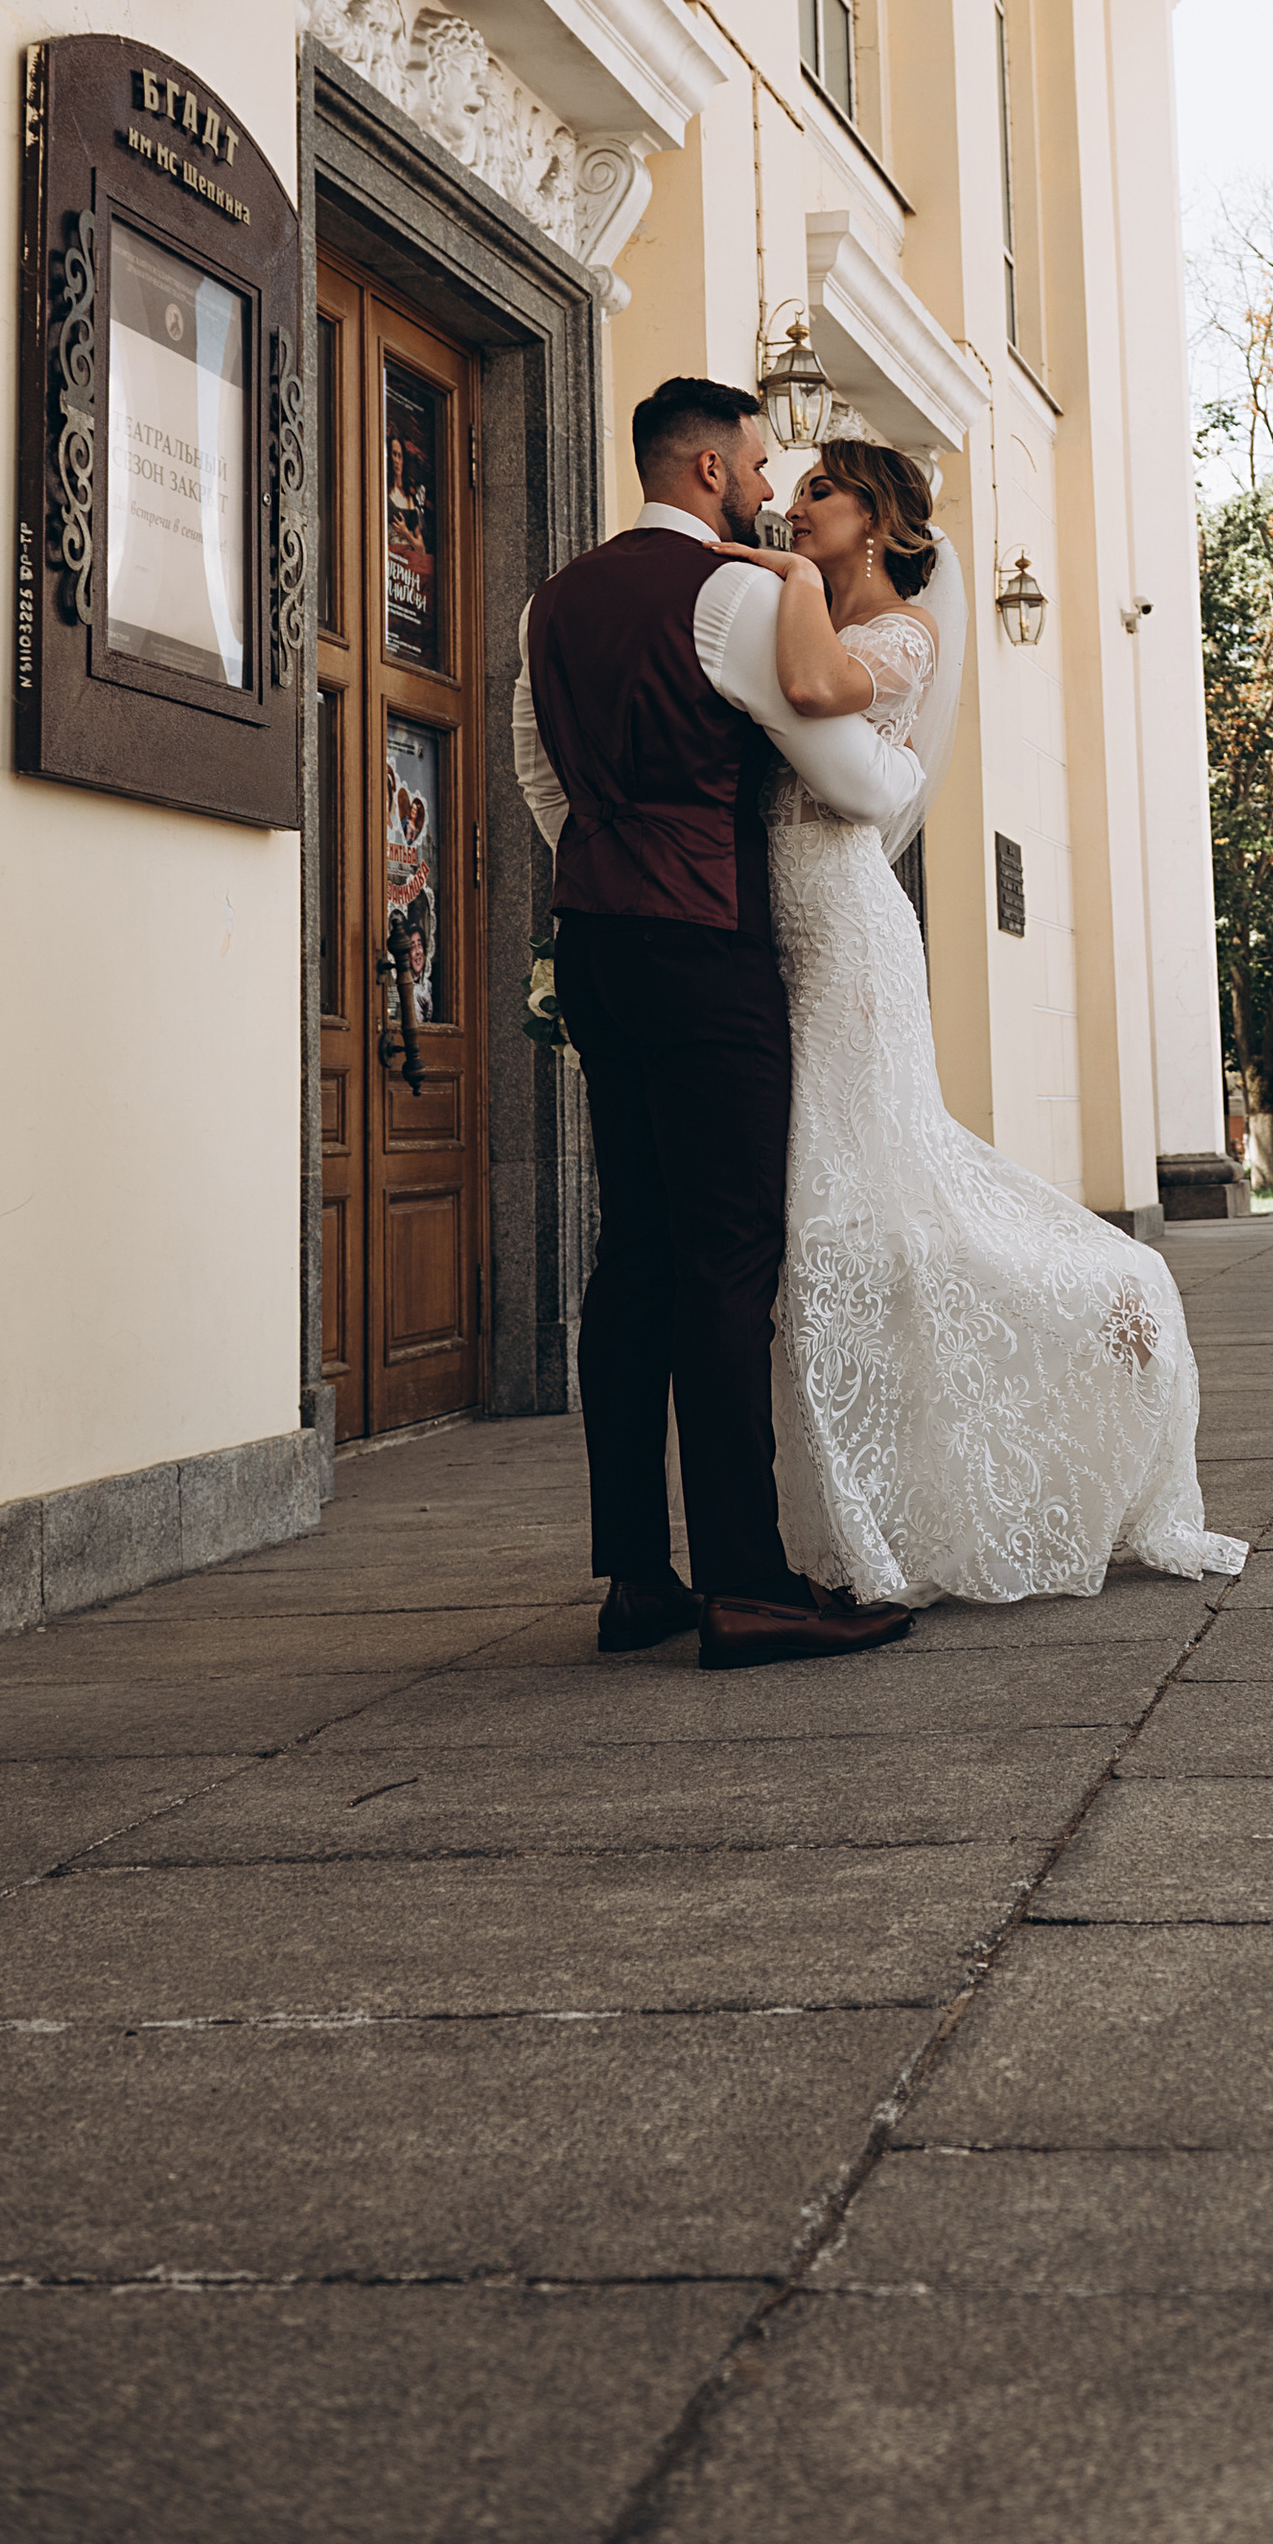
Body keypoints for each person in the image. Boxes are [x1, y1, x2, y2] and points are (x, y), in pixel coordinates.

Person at [739, 437, 1246, 1608]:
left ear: (876, 522)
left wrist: (788, 580)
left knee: (861, 1187)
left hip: (844, 918)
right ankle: (870, 1506)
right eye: (797, 485)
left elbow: (814, 692)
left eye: (823, 491)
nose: (796, 506)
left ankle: (1111, 1304)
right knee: (841, 1203)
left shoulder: (899, 632)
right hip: (780, 918)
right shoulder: (797, 602)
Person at [511, 378, 923, 1672]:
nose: (765, 488)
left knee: (629, 1249)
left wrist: (612, 867)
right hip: (706, 946)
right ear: (703, 471)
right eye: (753, 465)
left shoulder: (550, 603)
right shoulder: (733, 594)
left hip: (595, 939)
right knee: (728, 1254)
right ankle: (750, 1581)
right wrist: (906, 774)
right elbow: (844, 767)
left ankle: (639, 1573)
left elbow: (542, 777)